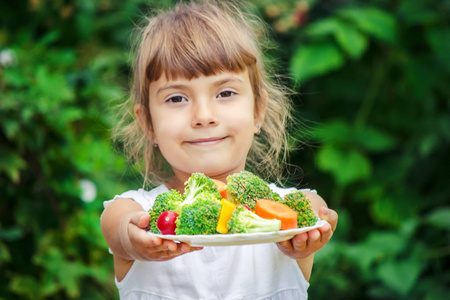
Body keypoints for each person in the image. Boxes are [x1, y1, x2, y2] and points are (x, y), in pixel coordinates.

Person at [100, 1, 338, 299]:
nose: (203, 115)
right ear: (148, 123)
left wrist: (311, 225)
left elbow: (311, 204)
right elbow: (118, 226)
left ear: (257, 111)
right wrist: (133, 239)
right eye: (176, 98)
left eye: (225, 93)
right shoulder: (141, 213)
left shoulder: (279, 217)